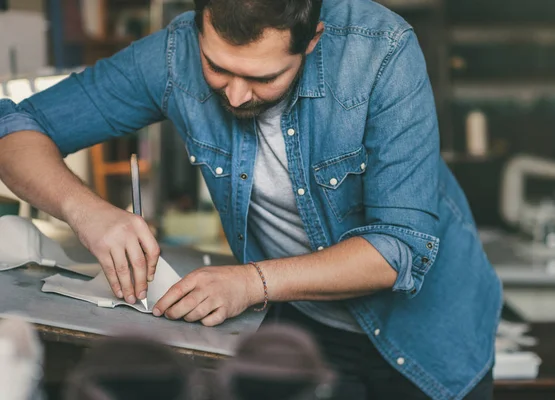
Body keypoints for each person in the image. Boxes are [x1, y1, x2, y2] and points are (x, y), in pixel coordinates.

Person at [0, 0, 502, 398]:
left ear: (313, 41)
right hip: (298, 330)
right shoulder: (174, 55)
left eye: (263, 78)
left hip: (430, 338)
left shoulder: (382, 52)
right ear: (200, 26)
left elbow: (399, 248)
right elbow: (14, 129)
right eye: (218, 68)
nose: (236, 95)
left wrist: (250, 282)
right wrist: (87, 212)